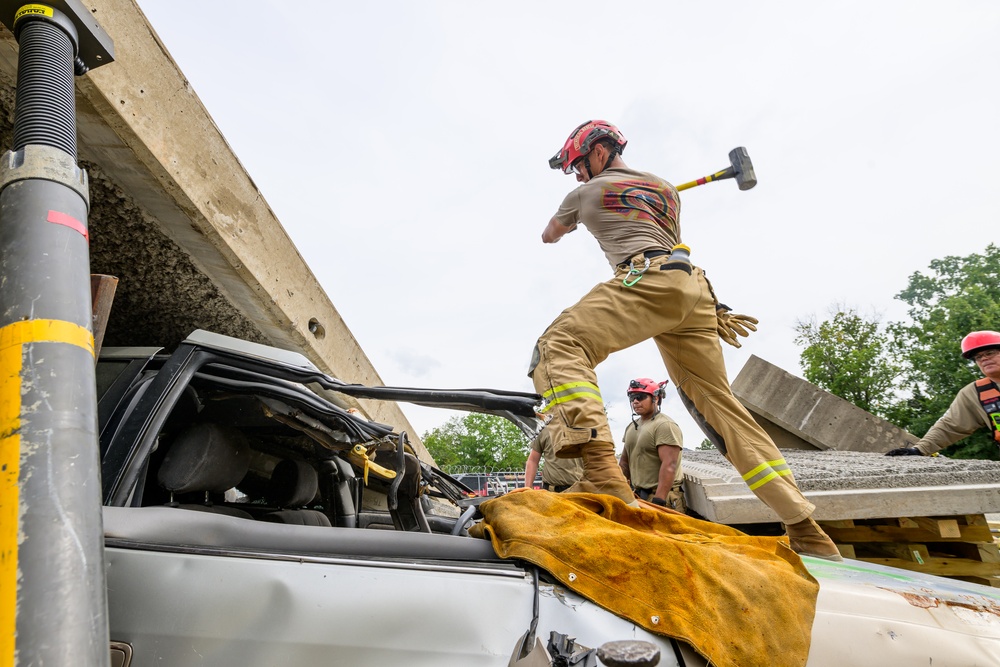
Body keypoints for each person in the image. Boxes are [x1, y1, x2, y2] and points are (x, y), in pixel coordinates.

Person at [528, 120, 841, 560]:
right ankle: (806, 527)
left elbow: (549, 235)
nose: (576, 175)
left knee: (557, 345)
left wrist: (573, 213)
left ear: (598, 152)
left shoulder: (583, 194)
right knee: (722, 409)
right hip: (692, 289)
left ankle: (599, 467)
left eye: (577, 165)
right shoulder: (666, 191)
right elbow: (656, 232)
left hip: (647, 279)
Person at [886, 330, 1000, 457]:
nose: (984, 358)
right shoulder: (976, 393)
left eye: (990, 353)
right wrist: (919, 450)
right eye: (978, 357)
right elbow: (951, 426)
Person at [618, 378, 686, 512]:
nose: (635, 401)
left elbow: (669, 465)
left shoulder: (664, 425)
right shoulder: (631, 427)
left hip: (662, 497)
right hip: (638, 497)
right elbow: (624, 463)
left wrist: (659, 501)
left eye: (640, 397)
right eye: (632, 398)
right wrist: (619, 490)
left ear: (656, 398)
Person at [524, 425, 584, 492]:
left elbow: (595, 461)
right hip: (551, 492)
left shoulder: (585, 429)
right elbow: (533, 460)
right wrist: (527, 488)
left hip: (578, 491)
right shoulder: (544, 429)